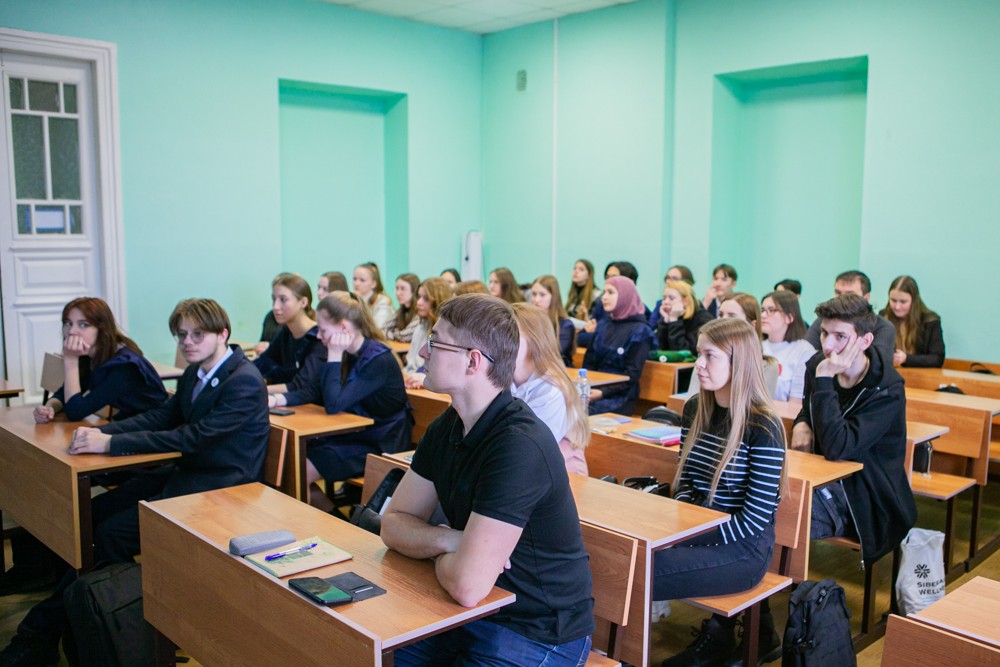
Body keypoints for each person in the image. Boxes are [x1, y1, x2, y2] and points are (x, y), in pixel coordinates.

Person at [0, 298, 269, 667]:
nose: (187, 343)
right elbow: (162, 416)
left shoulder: (244, 381)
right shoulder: (197, 371)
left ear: (223, 334)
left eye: (198, 335)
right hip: (188, 472)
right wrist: (105, 434)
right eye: (182, 335)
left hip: (222, 486)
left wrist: (111, 444)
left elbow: (192, 438)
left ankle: (68, 629)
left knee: (109, 536)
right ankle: (83, 621)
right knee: (93, 514)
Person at [381, 294, 594, 666]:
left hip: (535, 631)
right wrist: (450, 540)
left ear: (473, 361)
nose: (423, 353)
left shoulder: (518, 444)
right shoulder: (448, 426)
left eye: (435, 343)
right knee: (361, 653)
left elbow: (468, 585)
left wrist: (442, 550)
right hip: (467, 613)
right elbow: (393, 524)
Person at [656, 318, 786, 667]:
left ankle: (623, 652)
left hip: (744, 549)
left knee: (643, 568)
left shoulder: (762, 425)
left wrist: (688, 539)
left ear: (738, 362)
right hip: (696, 532)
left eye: (709, 356)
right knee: (628, 555)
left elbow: (754, 520)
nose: (698, 364)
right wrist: (682, 532)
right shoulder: (695, 408)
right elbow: (684, 483)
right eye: (698, 354)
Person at [792, 295, 916, 572]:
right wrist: (801, 422)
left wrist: (825, 379)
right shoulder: (818, 365)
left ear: (865, 341)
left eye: (840, 336)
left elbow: (838, 447)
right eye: (824, 333)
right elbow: (810, 409)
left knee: (782, 514)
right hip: (822, 478)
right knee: (759, 499)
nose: (827, 345)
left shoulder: (886, 389)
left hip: (865, 496)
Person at [272, 292, 410, 509]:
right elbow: (315, 391)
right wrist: (277, 399)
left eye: (323, 330)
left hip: (380, 442)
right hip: (354, 434)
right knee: (290, 462)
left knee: (301, 469)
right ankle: (331, 518)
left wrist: (334, 355)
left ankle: (330, 523)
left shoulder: (377, 359)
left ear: (344, 328)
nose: (319, 336)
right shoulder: (347, 351)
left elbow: (334, 404)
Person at [34, 297, 168, 424]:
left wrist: (70, 360)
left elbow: (75, 412)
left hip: (151, 427)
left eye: (83, 325)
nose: (72, 331)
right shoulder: (89, 355)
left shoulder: (125, 366)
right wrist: (49, 408)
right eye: (68, 323)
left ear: (101, 329)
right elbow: (64, 395)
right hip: (129, 423)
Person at [511, 303, 590, 475]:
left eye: (512, 335)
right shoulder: (505, 378)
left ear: (534, 341)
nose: (501, 342)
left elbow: (527, 448)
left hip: (562, 476)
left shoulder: (552, 390)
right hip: (526, 470)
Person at [582, 276, 654, 415]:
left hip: (620, 396)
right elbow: (589, 362)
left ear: (625, 296)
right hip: (594, 389)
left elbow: (632, 374)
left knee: (582, 414)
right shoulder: (603, 325)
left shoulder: (640, 331)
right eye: (604, 292)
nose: (604, 297)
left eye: (610, 292)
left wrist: (603, 392)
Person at [805, 270, 895, 360]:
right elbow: (806, 354)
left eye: (850, 295)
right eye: (838, 292)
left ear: (866, 298)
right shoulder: (824, 322)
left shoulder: (883, 327)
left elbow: (878, 362)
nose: (841, 298)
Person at [253, 273, 323, 390]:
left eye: (283, 300)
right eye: (274, 299)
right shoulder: (286, 332)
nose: (275, 306)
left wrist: (256, 390)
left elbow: (301, 386)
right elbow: (264, 361)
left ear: (303, 302)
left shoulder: (317, 337)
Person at [760, 290, 815, 402]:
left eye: (771, 310)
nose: (763, 315)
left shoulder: (804, 350)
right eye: (762, 310)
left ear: (789, 317)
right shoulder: (756, 345)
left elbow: (796, 404)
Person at [879, 275, 945, 367]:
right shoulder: (883, 317)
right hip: (890, 372)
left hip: (920, 373)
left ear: (914, 300)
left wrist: (907, 359)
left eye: (903, 302)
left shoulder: (930, 321)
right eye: (893, 300)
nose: (897, 307)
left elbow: (937, 359)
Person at [403, 277, 453, 388]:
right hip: (413, 378)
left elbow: (440, 370)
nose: (419, 302)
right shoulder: (420, 327)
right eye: (419, 297)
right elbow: (411, 365)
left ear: (438, 301)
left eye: (426, 299)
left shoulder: (445, 333)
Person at [656, 279, 713, 352]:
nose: (666, 302)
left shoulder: (702, 319)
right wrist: (665, 322)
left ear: (686, 301)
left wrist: (674, 321)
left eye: (671, 298)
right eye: (664, 298)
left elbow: (684, 351)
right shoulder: (671, 316)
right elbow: (658, 349)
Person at [530, 275, 576, 366]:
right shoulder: (529, 321)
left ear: (553, 297)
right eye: (534, 294)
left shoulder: (565, 326)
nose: (536, 300)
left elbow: (556, 355)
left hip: (559, 371)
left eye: (542, 295)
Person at [354, 262, 394, 329]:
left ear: (373, 284)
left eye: (362, 280)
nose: (356, 283)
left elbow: (376, 328)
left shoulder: (383, 302)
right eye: (354, 279)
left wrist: (360, 302)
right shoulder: (354, 298)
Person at [384, 273, 421, 343]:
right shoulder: (400, 310)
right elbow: (381, 331)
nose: (398, 293)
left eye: (403, 289)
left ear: (414, 291)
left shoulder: (420, 310)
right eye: (397, 288)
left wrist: (394, 333)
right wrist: (397, 334)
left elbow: (404, 337)